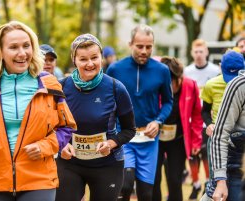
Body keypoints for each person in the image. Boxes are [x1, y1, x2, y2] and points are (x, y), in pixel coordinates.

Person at [0, 21, 76, 201]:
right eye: (13, 47)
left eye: (26, 46)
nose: (22, 53)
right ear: (0, 51)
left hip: (39, 180)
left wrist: (44, 147)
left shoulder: (49, 83)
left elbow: (66, 128)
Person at [55, 33, 135, 201]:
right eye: (83, 59)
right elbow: (50, 126)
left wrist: (111, 143)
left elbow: (129, 130)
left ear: (101, 58)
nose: (90, 64)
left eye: (94, 57)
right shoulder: (60, 88)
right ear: (74, 60)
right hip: (70, 163)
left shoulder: (116, 88)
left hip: (107, 164)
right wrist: (60, 146)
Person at [107, 24, 173, 201]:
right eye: (140, 46)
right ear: (130, 44)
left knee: (146, 194)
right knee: (125, 186)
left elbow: (168, 101)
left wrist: (158, 121)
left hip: (149, 139)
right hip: (124, 136)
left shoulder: (162, 71)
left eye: (149, 47)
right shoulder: (115, 69)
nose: (144, 51)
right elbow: (107, 101)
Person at [152, 56, 203, 201]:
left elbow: (197, 115)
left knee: (175, 180)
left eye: (172, 82)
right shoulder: (155, 86)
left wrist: (196, 141)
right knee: (154, 179)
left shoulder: (190, 86)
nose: (169, 87)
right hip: (156, 139)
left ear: (179, 77)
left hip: (178, 140)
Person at [200, 50, 245, 201]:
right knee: (215, 188)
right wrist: (209, 125)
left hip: (237, 138)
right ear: (220, 67)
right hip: (223, 139)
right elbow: (204, 111)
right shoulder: (213, 84)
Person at [184, 38, 221, 200]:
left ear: (206, 52)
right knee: (192, 155)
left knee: (206, 152)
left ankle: (207, 182)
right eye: (196, 51)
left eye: (201, 51)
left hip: (207, 118)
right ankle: (195, 183)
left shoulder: (214, 71)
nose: (199, 54)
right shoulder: (187, 71)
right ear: (192, 53)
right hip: (191, 120)